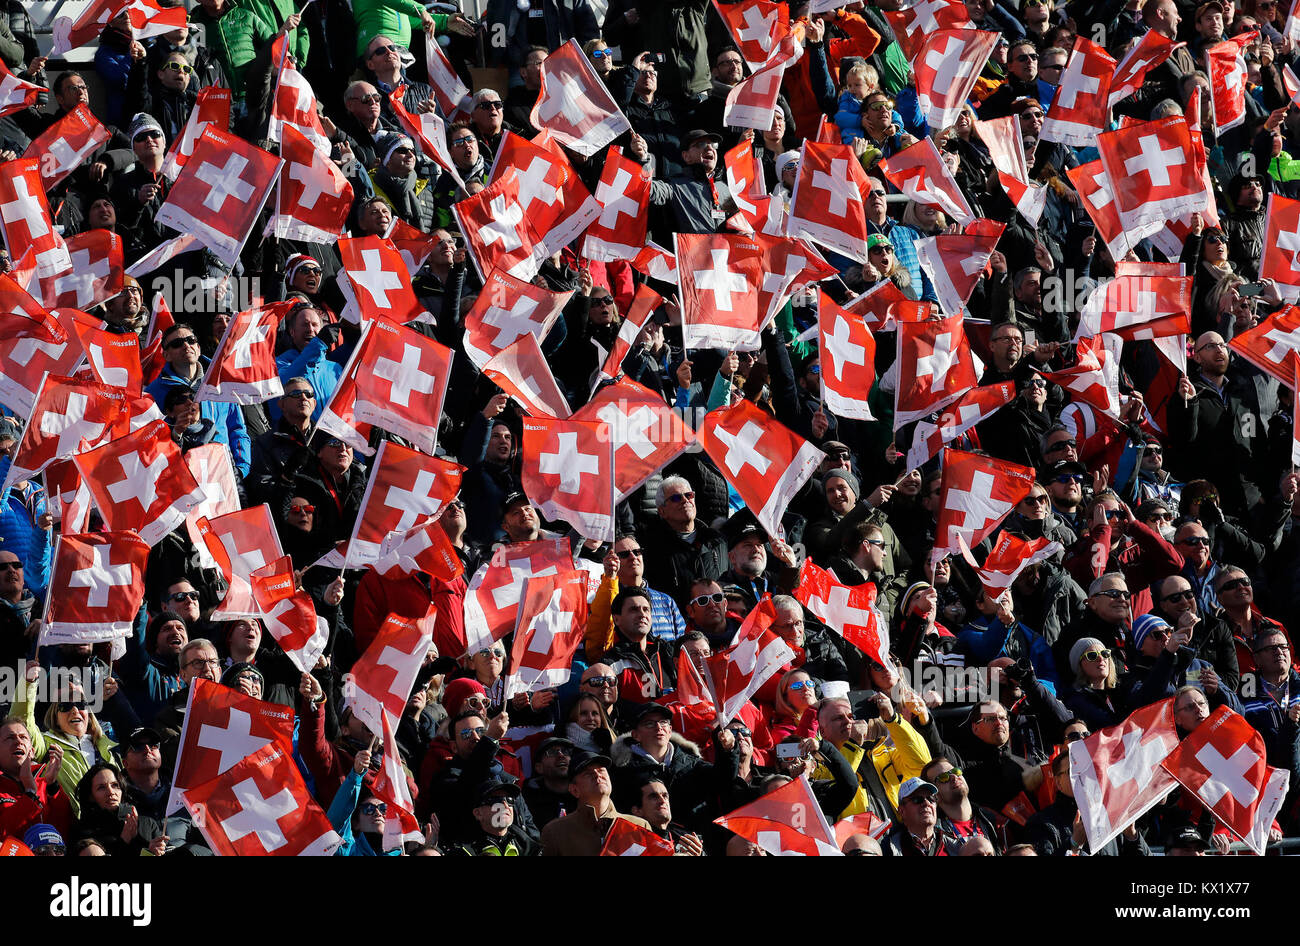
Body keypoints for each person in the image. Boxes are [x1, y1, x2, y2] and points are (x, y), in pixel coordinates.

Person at [1024, 751, 1149, 855]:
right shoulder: (1040, 823)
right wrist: (1073, 844)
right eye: (1072, 771)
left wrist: (1131, 836)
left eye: (1087, 769)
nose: (1082, 775)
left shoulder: (1108, 815)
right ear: (1058, 783)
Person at [540, 748, 652, 856]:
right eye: (588, 773)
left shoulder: (639, 825)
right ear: (574, 790)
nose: (597, 775)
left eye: (601, 770)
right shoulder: (555, 832)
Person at [923, 757, 1005, 852]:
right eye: (943, 777)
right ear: (934, 795)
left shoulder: (993, 820)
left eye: (956, 771)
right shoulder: (931, 834)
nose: (954, 777)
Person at [882, 777, 960, 856]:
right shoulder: (887, 848)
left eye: (931, 798)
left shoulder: (956, 844)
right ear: (902, 811)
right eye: (917, 800)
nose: (927, 803)